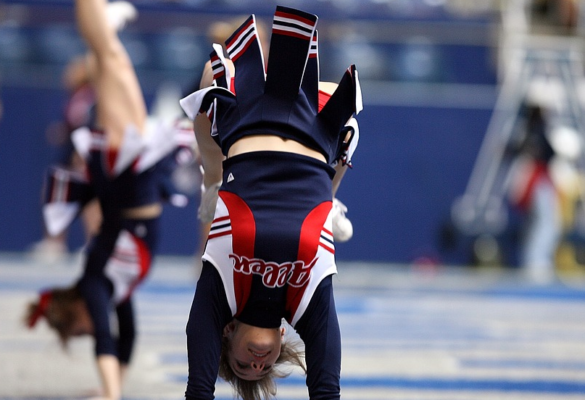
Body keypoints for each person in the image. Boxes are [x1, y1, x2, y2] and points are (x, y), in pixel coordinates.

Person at [180, 6, 362, 400]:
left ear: (225, 334)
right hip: (317, 133)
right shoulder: (306, 302)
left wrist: (214, 185)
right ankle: (330, 201)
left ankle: (214, 185)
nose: (258, 362)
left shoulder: (222, 290)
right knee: (347, 121)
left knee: (211, 93)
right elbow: (327, 388)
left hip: (244, 127)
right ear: (282, 337)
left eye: (243, 365)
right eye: (265, 367)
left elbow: (198, 389)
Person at [24, 1, 195, 399]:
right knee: (110, 63)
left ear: (75, 312)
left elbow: (105, 338)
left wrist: (111, 394)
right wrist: (110, 387)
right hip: (132, 179)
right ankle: (109, 22)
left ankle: (101, 16)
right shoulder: (114, 289)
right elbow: (127, 337)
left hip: (125, 173)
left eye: (79, 329)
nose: (90, 330)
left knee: (109, 59)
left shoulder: (96, 284)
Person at [194, 16, 355, 245]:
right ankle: (212, 190)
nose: (264, 47)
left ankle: (327, 200)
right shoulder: (221, 73)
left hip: (266, 138)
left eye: (265, 41)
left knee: (346, 115)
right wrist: (213, 177)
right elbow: (199, 116)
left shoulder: (280, 75)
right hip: (230, 150)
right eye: (260, 42)